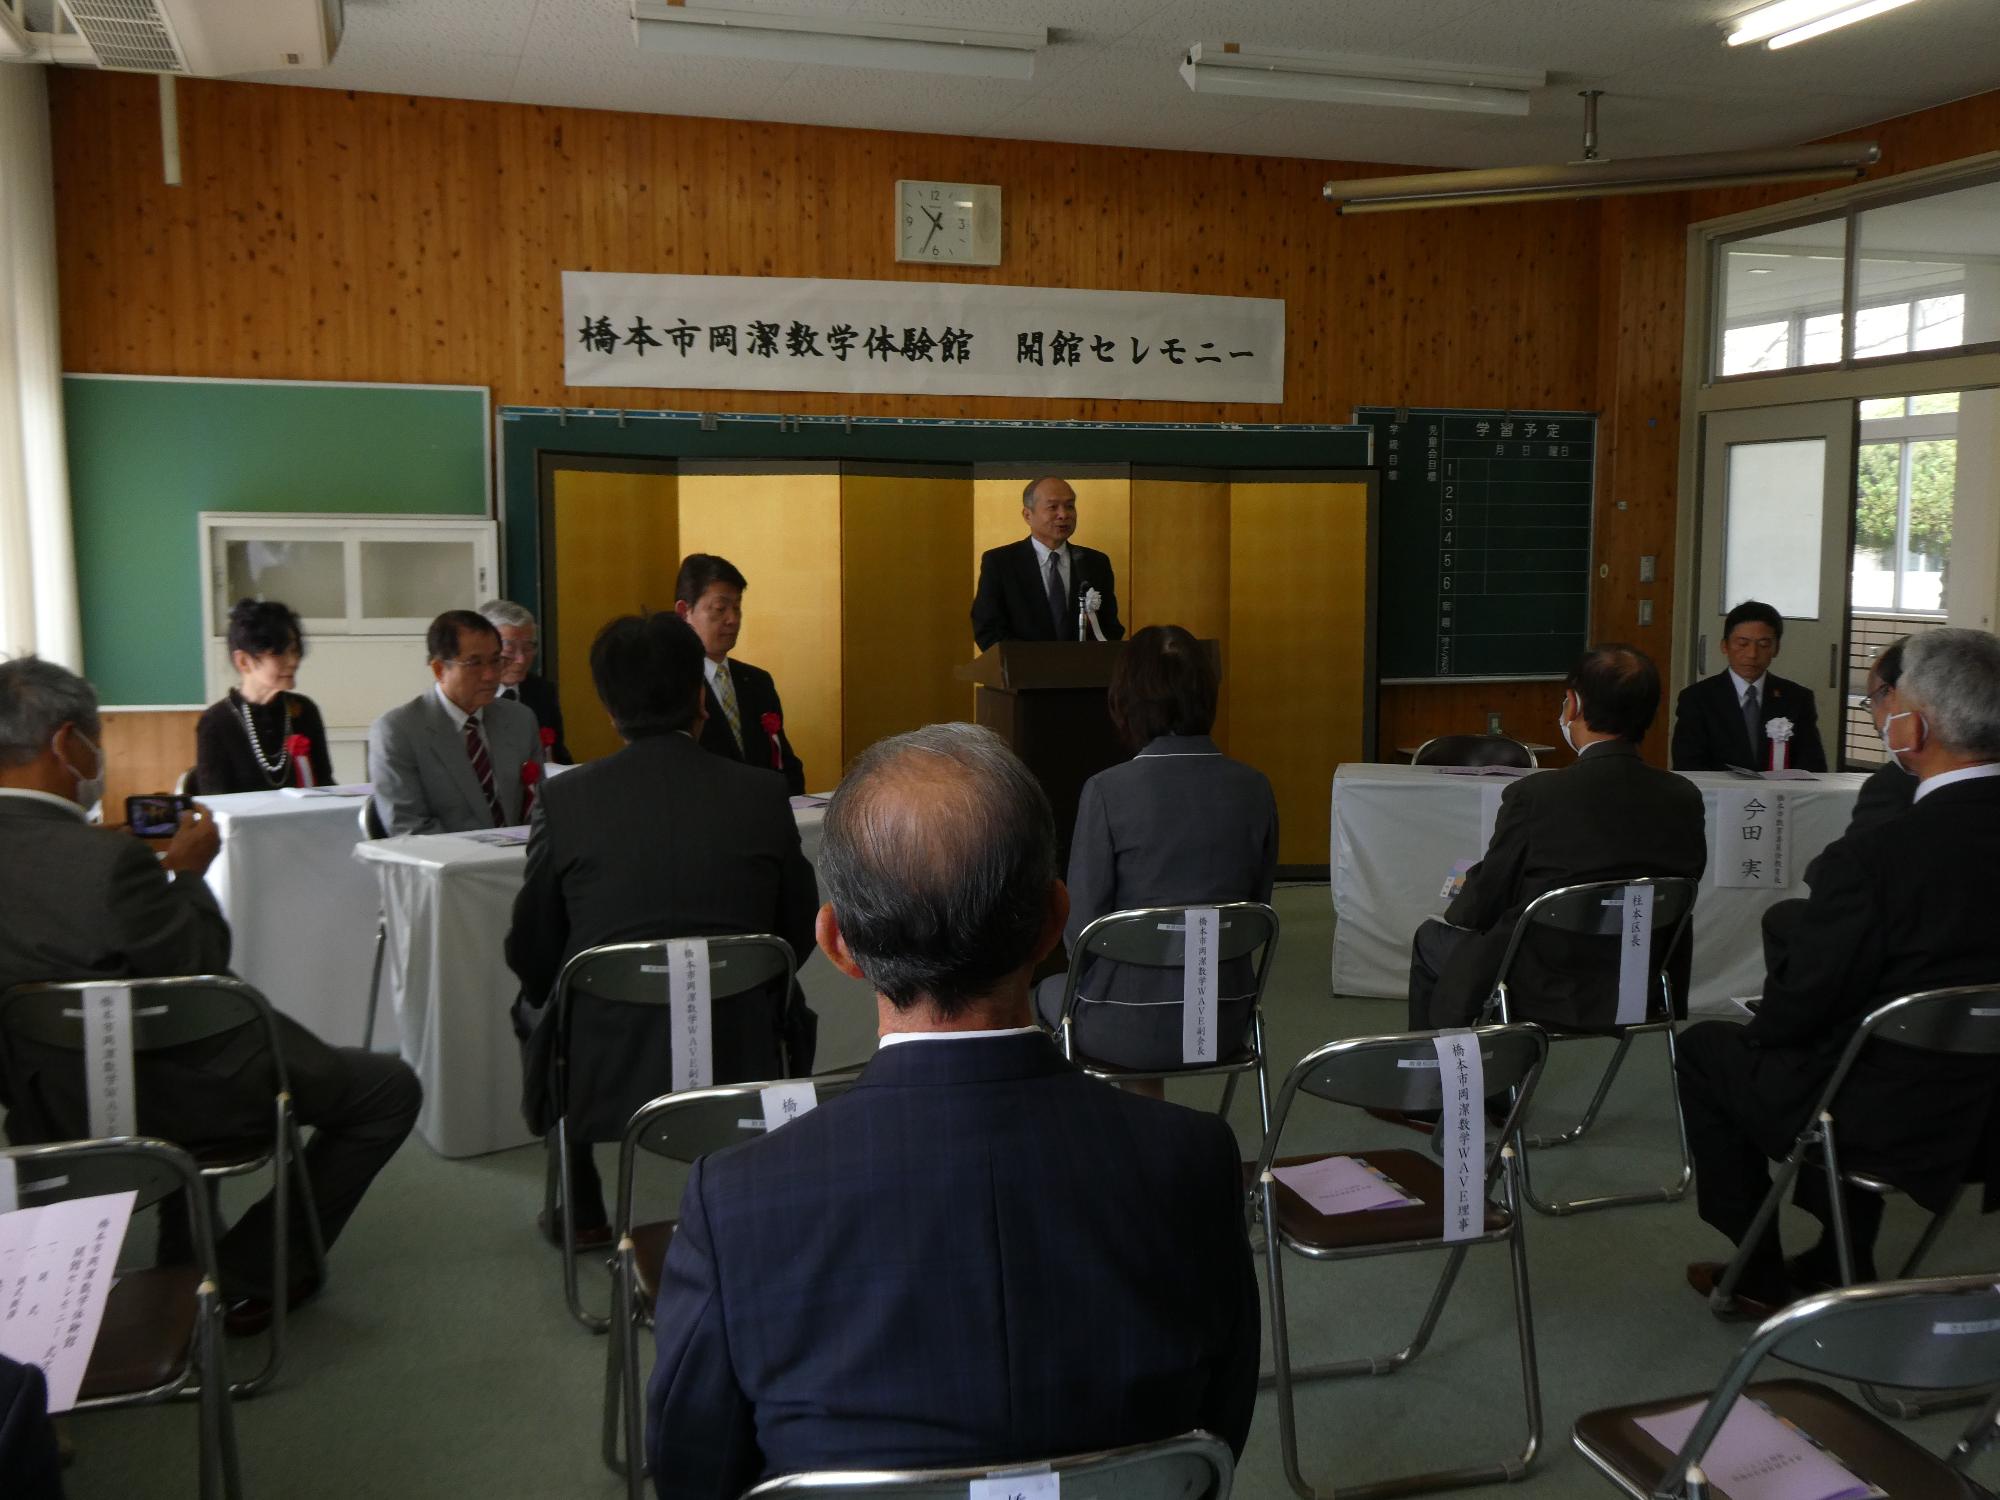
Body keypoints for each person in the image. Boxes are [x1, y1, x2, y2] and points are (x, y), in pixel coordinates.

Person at [646, 724, 1258, 1497]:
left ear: (837, 945)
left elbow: (691, 1472)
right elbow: (1217, 1435)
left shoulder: (735, 1206)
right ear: (1053, 921)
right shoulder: (1193, 1160)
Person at [0, 657, 421, 1334]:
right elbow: (198, 970)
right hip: (159, 1094)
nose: (99, 753)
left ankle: (183, 1239)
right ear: (63, 743)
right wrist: (189, 875)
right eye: (94, 736)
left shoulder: (94, 858)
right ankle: (250, 1273)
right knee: (387, 1089)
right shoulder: (109, 864)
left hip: (38, 1107)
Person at [1678, 628, 2000, 1318]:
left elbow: (1803, 1003)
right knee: (1845, 1049)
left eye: (1888, 702)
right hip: (1989, 1117)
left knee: (1713, 1050)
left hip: (1895, 1114)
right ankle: (1833, 1253)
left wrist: (1767, 1029)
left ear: (1913, 724)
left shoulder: (1879, 857)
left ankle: (1760, 1271)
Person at [505, 613, 818, 1241]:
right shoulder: (761, 793)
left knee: (534, 1004)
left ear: (608, 705)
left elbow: (533, 947)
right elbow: (795, 933)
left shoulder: (566, 800)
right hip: (743, 1038)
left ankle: (582, 1196)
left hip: (603, 1051)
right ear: (699, 695)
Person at [1406, 644, 1708, 1033]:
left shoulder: (1537, 795)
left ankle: (1445, 1083)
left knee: (1432, 939)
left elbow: (1483, 904)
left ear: (1574, 705)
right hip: (1641, 984)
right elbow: (1686, 882)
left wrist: (1462, 902)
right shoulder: (1683, 796)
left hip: (1542, 983)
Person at [1035, 624, 1276, 1071]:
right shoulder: (1256, 788)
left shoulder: (1107, 791)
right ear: (1207, 695)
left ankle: (1133, 1117)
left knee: (1043, 996)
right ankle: (1153, 1116)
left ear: (1125, 700)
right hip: (1227, 1020)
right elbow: (1257, 915)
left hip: (1121, 1024)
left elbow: (1079, 931)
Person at [367, 609, 542, 834]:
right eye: (474, 663)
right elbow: (409, 827)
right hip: (444, 864)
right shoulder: (398, 731)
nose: (490, 675)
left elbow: (540, 806)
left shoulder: (520, 719)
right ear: (440, 669)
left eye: (496, 661)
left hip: (521, 860)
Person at [675, 555, 805, 798]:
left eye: (737, 607)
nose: (732, 619)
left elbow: (785, 762)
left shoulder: (757, 681)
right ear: (684, 612)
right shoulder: (675, 683)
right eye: (720, 608)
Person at [193, 598, 334, 794]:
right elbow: (215, 802)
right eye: (279, 653)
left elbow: (324, 784)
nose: (293, 661)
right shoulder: (216, 722)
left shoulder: (304, 710)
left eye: (294, 650)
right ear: (243, 661)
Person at [1670, 600, 1827, 772]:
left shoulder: (1797, 698)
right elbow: (1687, 765)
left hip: (1781, 797)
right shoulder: (1696, 698)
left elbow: (1813, 765)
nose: (1752, 654)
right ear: (1724, 645)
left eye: (1763, 645)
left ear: (1776, 649)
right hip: (1720, 796)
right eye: (1743, 644)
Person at [971, 477, 1126, 649]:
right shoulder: (1001, 562)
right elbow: (988, 629)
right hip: (1024, 671)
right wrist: (1039, 662)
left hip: (1083, 671)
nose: (1064, 514)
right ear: (1028, 515)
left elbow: (1110, 628)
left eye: (1070, 506)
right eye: (1053, 507)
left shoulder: (1095, 562)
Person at [480, 598, 570, 764]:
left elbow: (559, 755)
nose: (521, 659)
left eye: (528, 647)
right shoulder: (471, 695)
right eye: (509, 649)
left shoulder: (543, 691)